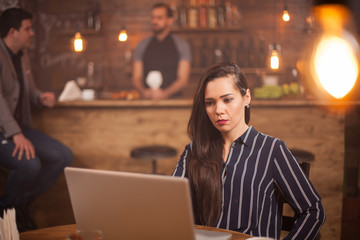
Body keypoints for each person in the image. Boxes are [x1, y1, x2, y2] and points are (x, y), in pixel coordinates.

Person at [172, 62, 325, 240]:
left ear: (247, 97)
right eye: (210, 103)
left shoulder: (272, 150)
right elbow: (171, 205)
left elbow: (313, 211)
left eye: (227, 100)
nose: (218, 110)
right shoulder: (194, 151)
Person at [0, 8, 73, 231]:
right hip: (5, 132)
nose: (32, 33)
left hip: (21, 129)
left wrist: (39, 97)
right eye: (28, 29)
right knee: (30, 165)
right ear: (13, 32)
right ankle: (4, 212)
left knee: (63, 156)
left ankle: (17, 203)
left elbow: (26, 91)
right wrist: (16, 134)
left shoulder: (22, 55)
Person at [132, 2, 191, 99]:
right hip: (147, 102)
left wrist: (165, 94)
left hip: (174, 103)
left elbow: (183, 79)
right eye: (153, 17)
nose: (154, 21)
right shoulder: (141, 46)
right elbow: (136, 78)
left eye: (159, 18)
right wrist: (144, 92)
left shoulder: (182, 46)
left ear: (170, 21)